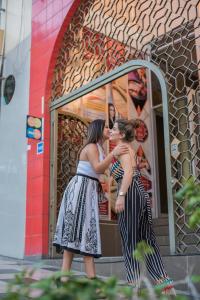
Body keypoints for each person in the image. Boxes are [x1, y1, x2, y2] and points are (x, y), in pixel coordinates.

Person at [53, 119, 128, 279]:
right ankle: (84, 279)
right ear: (98, 130)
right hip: (81, 190)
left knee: (82, 232)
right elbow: (98, 168)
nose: (108, 129)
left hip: (86, 189)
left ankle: (67, 279)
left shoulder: (99, 147)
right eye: (106, 127)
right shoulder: (92, 147)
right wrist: (113, 154)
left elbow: (99, 171)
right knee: (80, 231)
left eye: (109, 127)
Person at [110, 119, 176, 295]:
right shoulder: (127, 149)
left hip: (130, 193)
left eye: (114, 129)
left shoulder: (123, 150)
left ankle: (133, 284)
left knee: (130, 238)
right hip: (140, 193)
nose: (110, 130)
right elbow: (132, 170)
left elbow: (128, 174)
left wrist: (121, 196)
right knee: (147, 240)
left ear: (122, 134)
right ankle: (165, 284)